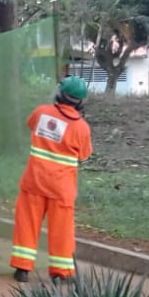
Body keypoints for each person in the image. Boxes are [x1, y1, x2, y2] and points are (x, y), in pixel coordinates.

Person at [10, 76, 93, 284]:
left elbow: (30, 125)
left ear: (59, 94)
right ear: (81, 102)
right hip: (62, 188)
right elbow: (84, 155)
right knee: (61, 230)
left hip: (34, 182)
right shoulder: (82, 127)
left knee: (27, 224)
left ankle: (22, 267)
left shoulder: (41, 113)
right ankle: (60, 273)